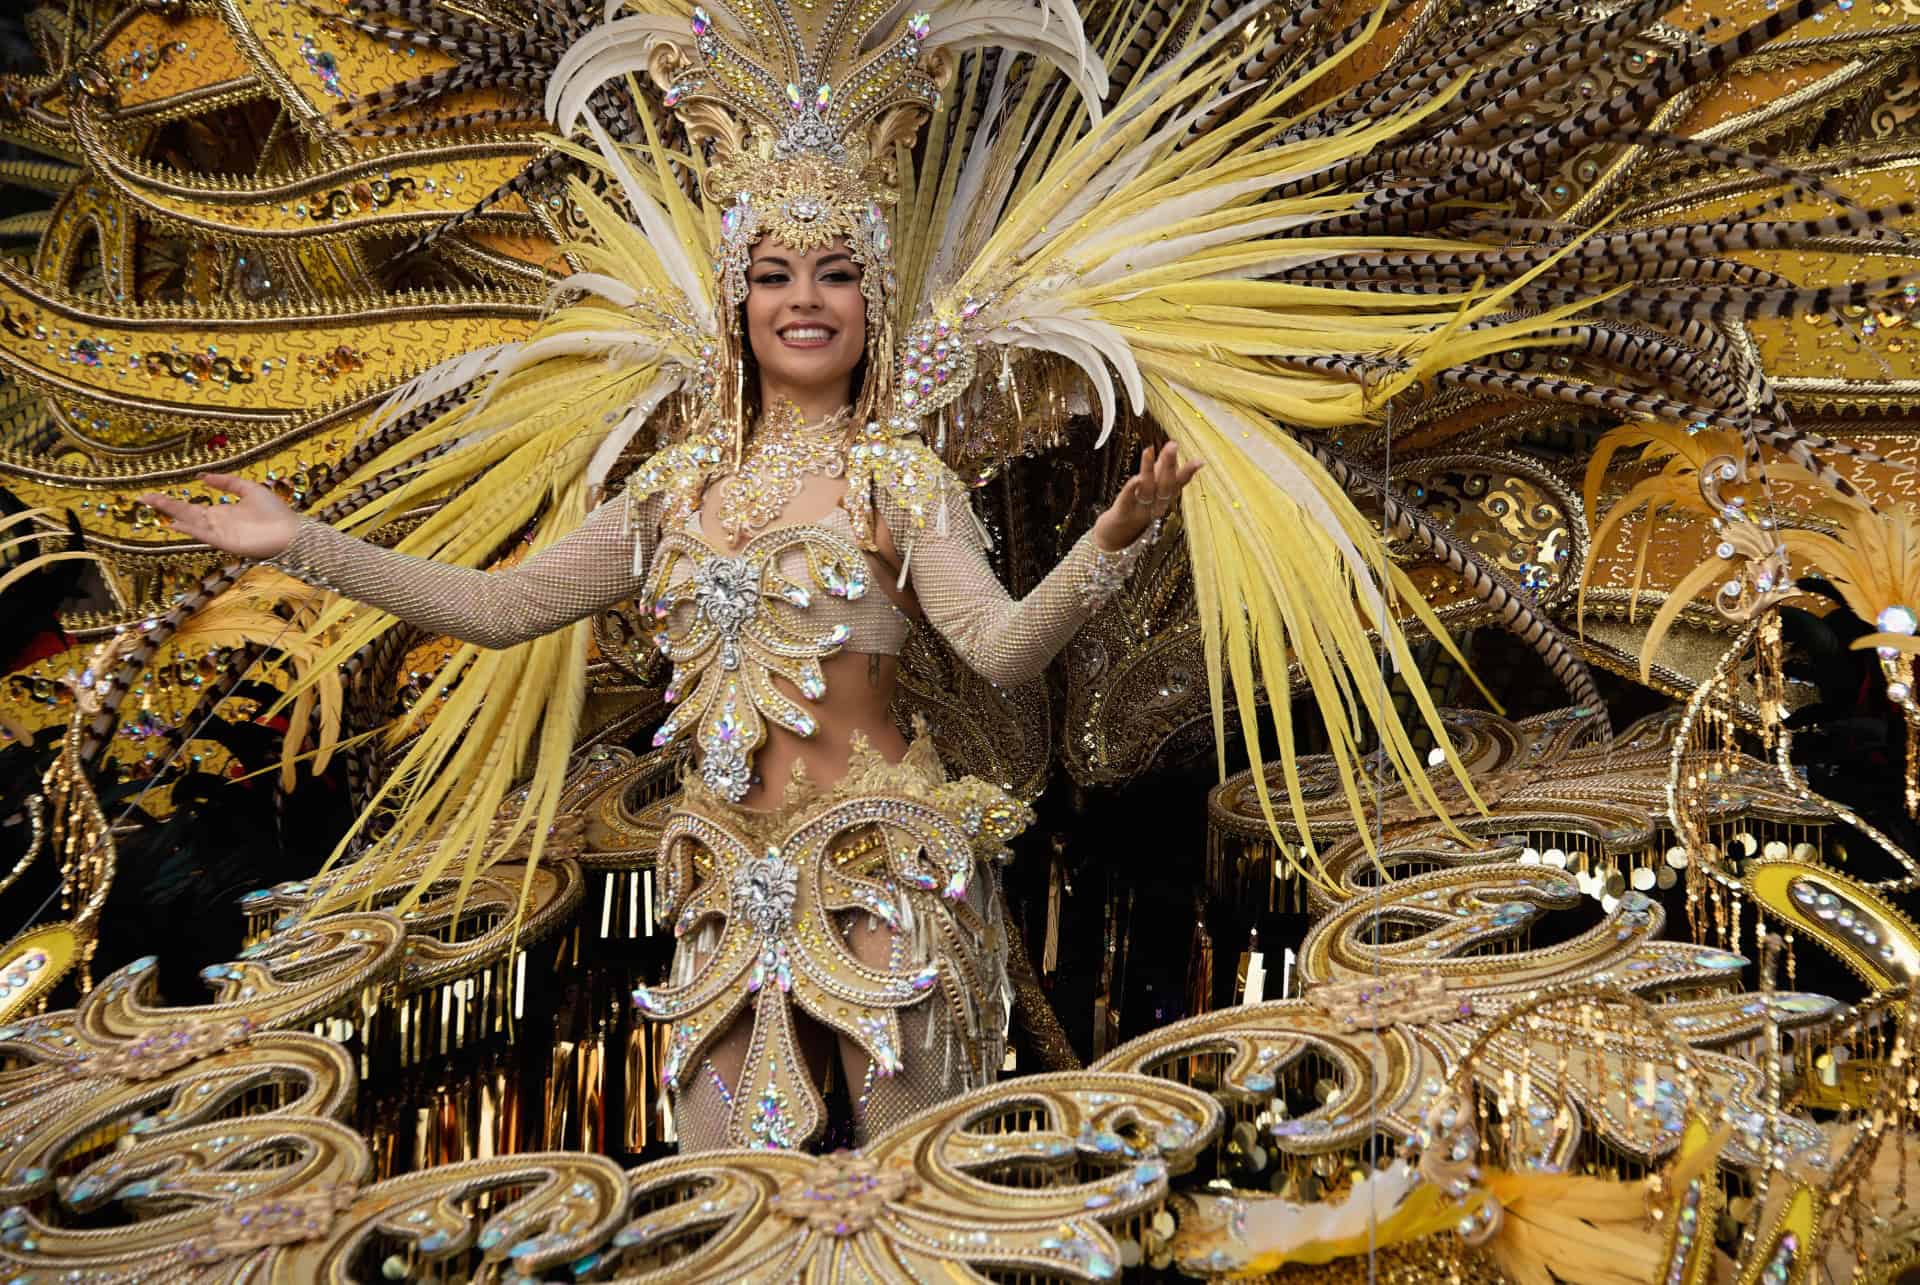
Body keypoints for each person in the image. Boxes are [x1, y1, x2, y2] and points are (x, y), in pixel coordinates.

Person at [142, 226, 1200, 1150]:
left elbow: (1004, 646)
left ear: (871, 304)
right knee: (726, 1195)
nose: (803, 300)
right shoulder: (671, 492)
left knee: (907, 1194)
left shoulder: (900, 483)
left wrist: (1113, 537)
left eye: (835, 275)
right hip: (723, 887)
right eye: (775, 274)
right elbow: (501, 610)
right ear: (738, 305)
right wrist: (303, 541)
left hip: (887, 870)